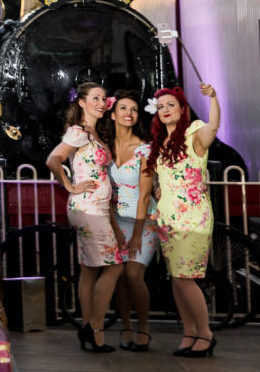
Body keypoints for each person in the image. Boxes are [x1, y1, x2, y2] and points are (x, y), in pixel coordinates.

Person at [143, 84, 220, 358]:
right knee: (176, 279)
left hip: (193, 218)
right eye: (160, 106)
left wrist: (213, 98)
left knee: (186, 278)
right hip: (167, 219)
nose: (165, 110)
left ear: (182, 109)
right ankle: (189, 332)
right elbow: (158, 180)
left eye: (170, 105)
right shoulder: (160, 143)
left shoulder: (193, 133)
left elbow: (213, 128)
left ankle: (205, 334)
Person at [45, 82, 121, 353]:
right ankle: (94, 327)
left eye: (104, 97)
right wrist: (69, 185)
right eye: (96, 98)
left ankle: (89, 330)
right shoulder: (78, 132)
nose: (101, 103)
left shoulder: (94, 132)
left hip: (97, 208)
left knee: (90, 269)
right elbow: (54, 160)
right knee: (114, 267)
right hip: (88, 209)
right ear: (82, 102)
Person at [99, 89, 155, 353]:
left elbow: (145, 195)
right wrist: (114, 228)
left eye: (133, 109)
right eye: (123, 108)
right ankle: (125, 327)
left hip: (143, 221)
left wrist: (135, 234)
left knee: (133, 274)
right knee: (119, 276)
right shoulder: (104, 149)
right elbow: (105, 194)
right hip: (115, 221)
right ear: (112, 113)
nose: (129, 114)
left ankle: (143, 326)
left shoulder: (145, 149)